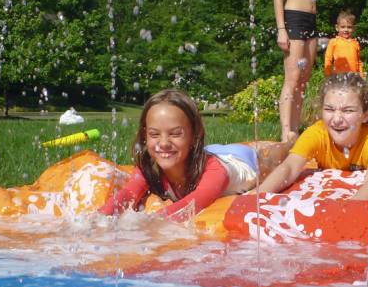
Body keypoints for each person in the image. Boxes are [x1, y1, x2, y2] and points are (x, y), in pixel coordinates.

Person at [100, 89, 292, 221]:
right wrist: (96, 221)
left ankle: (290, 141)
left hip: (242, 160)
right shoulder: (149, 168)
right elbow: (127, 195)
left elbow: (193, 203)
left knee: (273, 156)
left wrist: (148, 225)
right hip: (208, 153)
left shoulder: (217, 172)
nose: (164, 143)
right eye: (154, 134)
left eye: (175, 133)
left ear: (195, 135)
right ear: (145, 136)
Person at [269, 0, 325, 142]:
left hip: (311, 23)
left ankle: (295, 129)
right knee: (292, 79)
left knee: (304, 80)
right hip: (293, 21)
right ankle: (285, 133)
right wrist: (281, 29)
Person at [324, 10, 363, 77]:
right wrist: (328, 74)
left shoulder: (355, 43)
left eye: (349, 27)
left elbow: (359, 62)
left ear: (353, 28)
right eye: (343, 27)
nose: (346, 30)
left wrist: (361, 75)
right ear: (337, 28)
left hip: (354, 77)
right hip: (339, 76)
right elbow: (328, 59)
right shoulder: (334, 41)